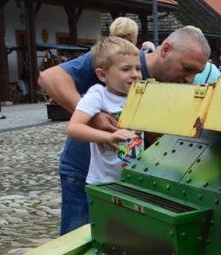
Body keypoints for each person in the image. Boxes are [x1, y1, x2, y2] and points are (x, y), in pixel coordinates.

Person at [39, 26, 211, 234]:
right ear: (165, 49)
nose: (190, 79)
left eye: (196, 73)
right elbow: (50, 78)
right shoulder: (120, 56)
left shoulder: (172, 86)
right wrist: (94, 118)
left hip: (127, 181)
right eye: (186, 68)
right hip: (84, 174)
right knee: (76, 241)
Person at [67, 36, 144, 186]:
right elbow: (74, 128)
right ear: (102, 75)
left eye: (138, 68)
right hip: (104, 181)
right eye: (126, 69)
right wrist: (108, 137)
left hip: (136, 180)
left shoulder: (141, 94)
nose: (135, 74)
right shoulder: (98, 95)